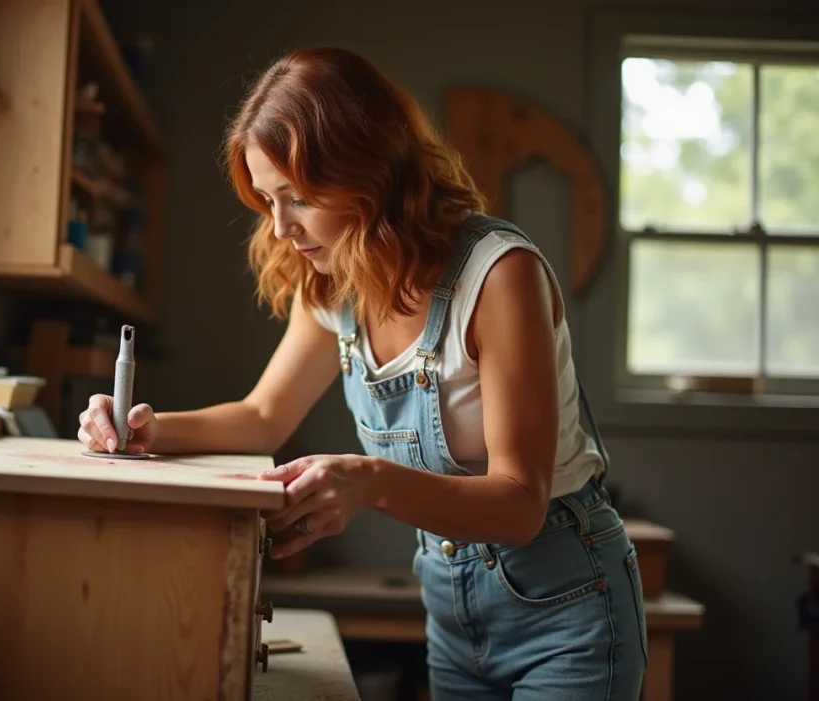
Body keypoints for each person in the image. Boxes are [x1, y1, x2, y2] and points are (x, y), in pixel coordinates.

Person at [79, 45, 647, 700]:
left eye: (297, 198)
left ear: (365, 171)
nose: (282, 227)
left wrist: (367, 479)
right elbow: (264, 415)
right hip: (453, 614)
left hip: (568, 610)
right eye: (268, 201)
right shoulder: (333, 284)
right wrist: (143, 427)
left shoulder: (498, 275)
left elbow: (519, 503)